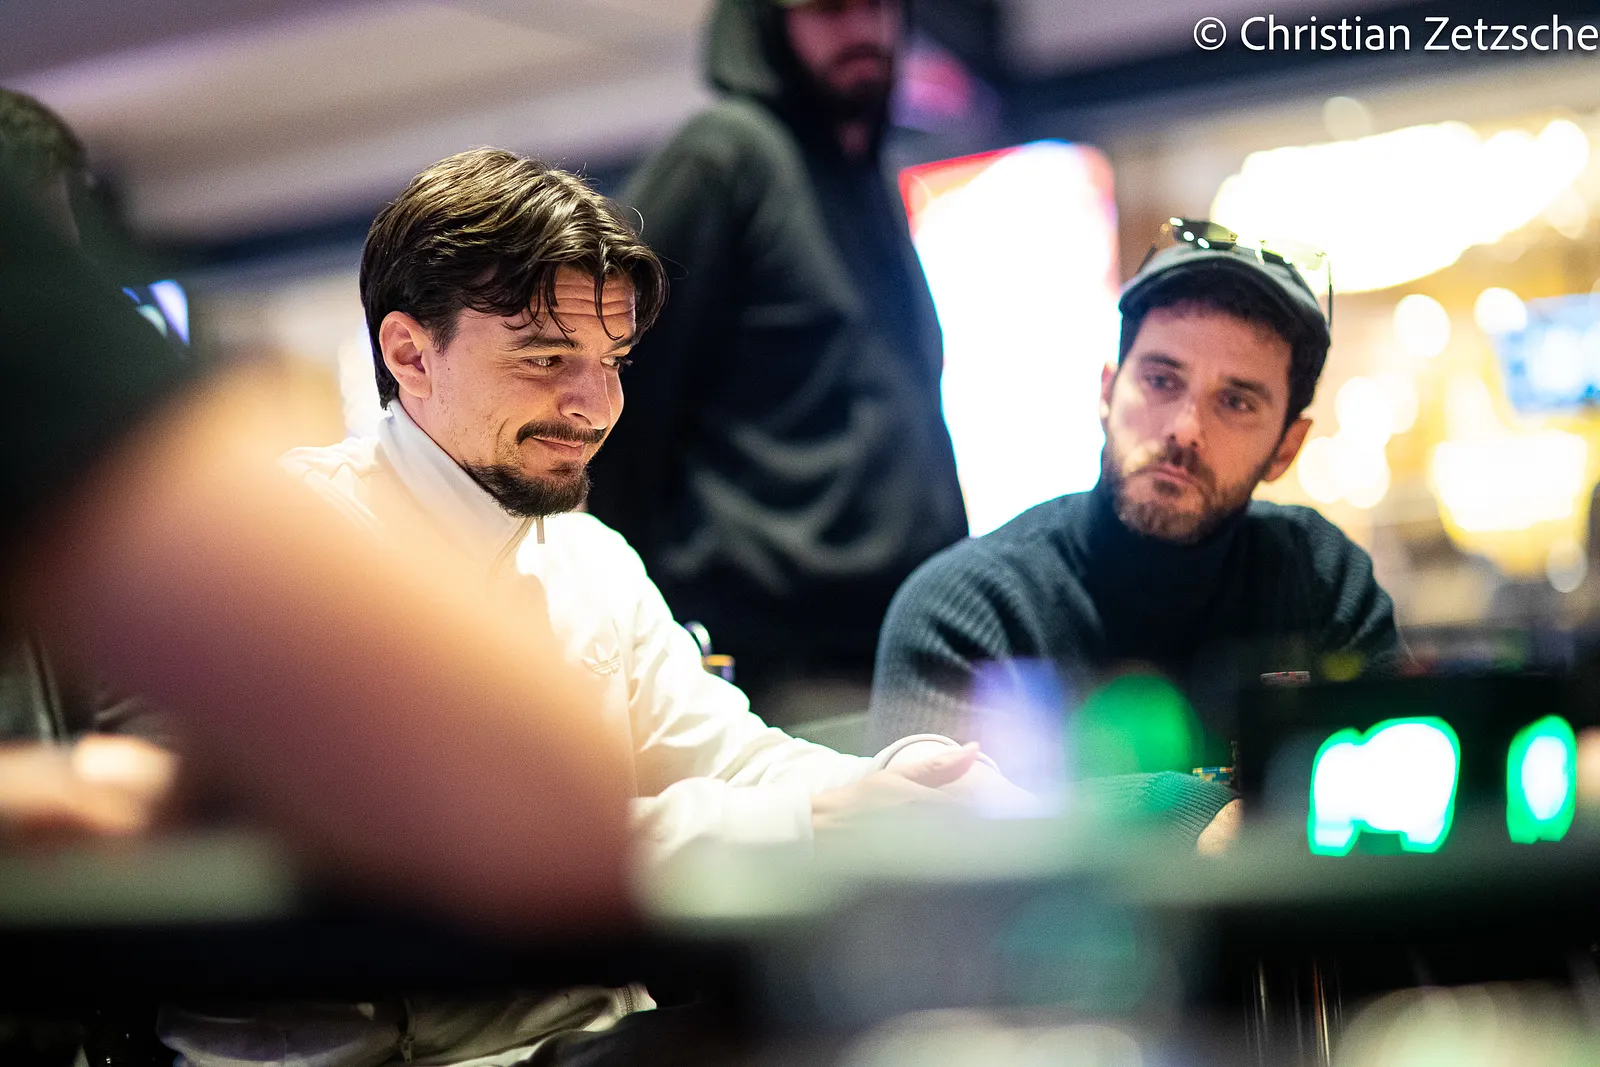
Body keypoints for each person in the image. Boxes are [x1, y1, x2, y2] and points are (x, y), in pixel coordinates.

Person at [159, 147, 987, 1067]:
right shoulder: (286, 548)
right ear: (409, 353)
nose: (596, 406)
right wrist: (811, 819)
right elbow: (454, 854)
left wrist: (900, 780)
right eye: (547, 357)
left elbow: (731, 755)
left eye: (613, 361)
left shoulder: (588, 554)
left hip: (589, 1040)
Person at [870, 219, 1404, 837]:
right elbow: (936, 843)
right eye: (1160, 380)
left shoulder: (1323, 580)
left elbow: (1404, 809)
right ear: (1107, 391)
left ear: (1286, 447)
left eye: (1236, 402)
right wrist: (1196, 812)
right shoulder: (967, 610)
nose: (1184, 429)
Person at [586, 0, 967, 725]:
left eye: (879, 5)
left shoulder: (866, 182)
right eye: (827, 8)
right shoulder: (722, 158)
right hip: (778, 670)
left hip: (906, 651)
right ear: (764, 21)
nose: (862, 30)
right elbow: (610, 404)